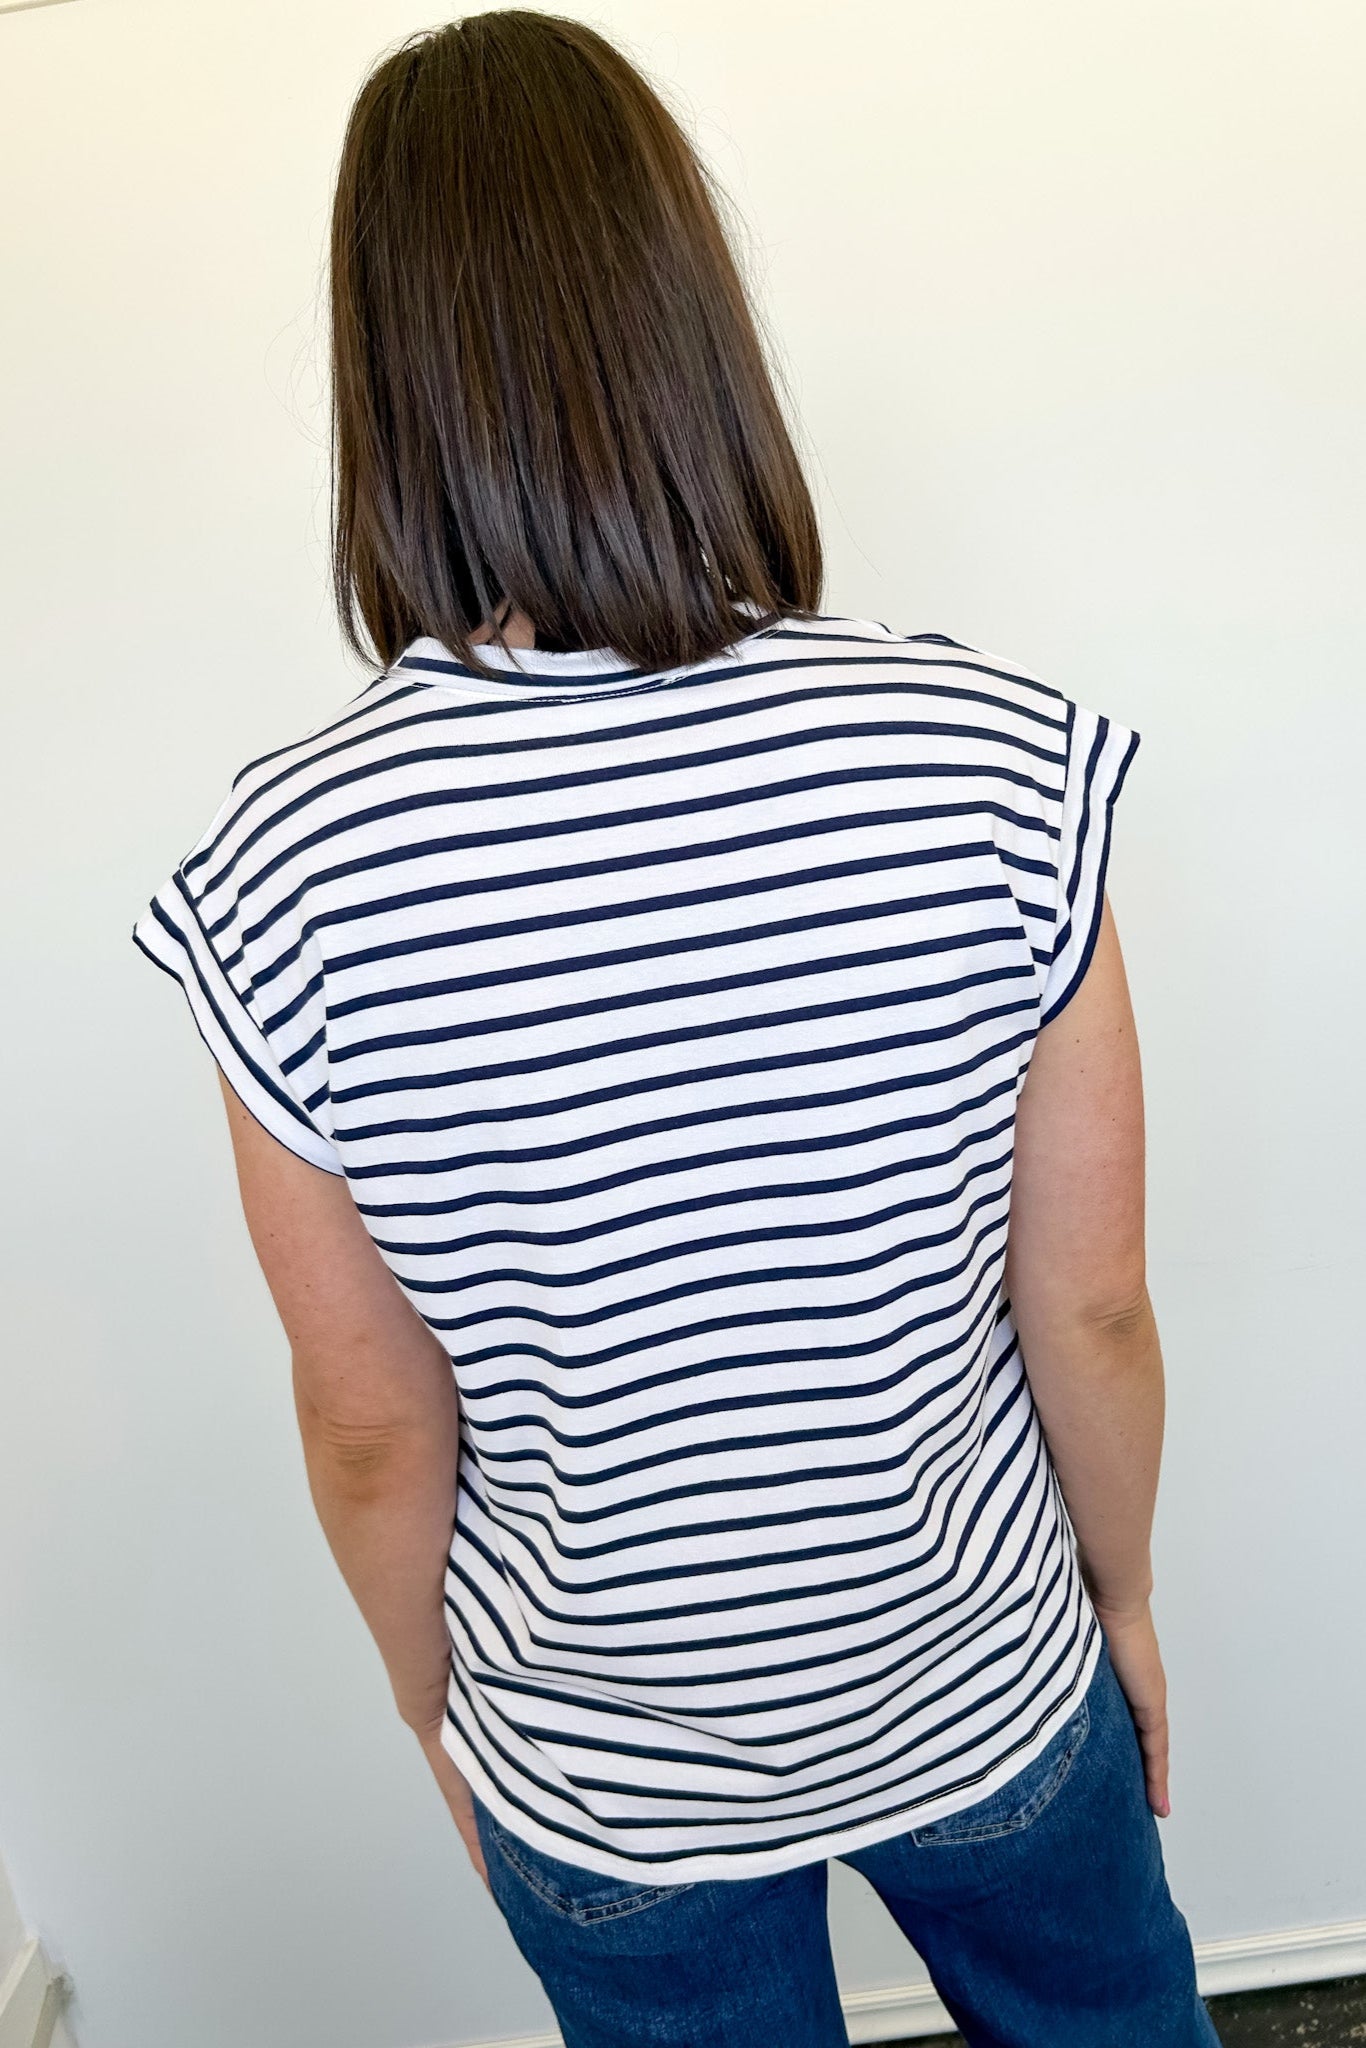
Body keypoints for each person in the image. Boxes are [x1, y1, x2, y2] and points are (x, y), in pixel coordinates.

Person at [131, 12, 1220, 2045]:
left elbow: (369, 1417)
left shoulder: (281, 868)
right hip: (974, 1662)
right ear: (682, 312)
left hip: (607, 1759)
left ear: (387, 383)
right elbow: (1085, 1305)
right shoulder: (983, 754)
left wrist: (427, 1704)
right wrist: (1126, 1599)